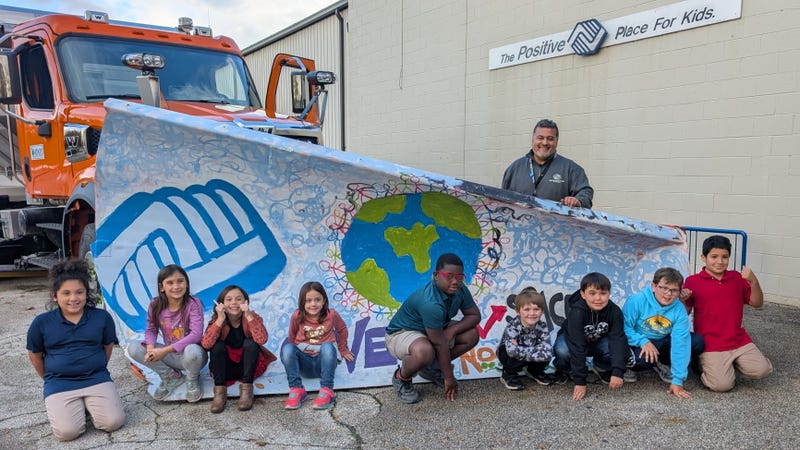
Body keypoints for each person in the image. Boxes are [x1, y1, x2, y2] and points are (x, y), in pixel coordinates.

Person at [26, 260, 125, 441]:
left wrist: (96, 368)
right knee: (67, 433)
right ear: (55, 295)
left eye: (79, 292)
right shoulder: (41, 323)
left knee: (114, 422)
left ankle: (90, 404)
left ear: (87, 293)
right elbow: (35, 356)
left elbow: (107, 347)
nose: (73, 298)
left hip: (96, 377)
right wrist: (50, 378)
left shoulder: (101, 317)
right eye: (66, 293)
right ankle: (75, 406)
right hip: (59, 382)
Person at [385, 253, 481, 404]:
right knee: (424, 351)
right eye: (449, 276)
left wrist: (452, 330)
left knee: (471, 334)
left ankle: (431, 369)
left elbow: (474, 315)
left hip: (434, 331)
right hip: (401, 333)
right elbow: (439, 343)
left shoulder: (460, 290)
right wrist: (448, 377)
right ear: (436, 275)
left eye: (460, 276)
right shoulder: (430, 303)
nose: (455, 281)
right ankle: (401, 378)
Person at [682, 235, 773, 392]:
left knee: (763, 369)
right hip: (711, 343)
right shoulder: (692, 281)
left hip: (738, 339)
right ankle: (701, 363)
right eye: (714, 256)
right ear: (703, 257)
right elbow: (685, 313)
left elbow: (757, 303)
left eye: (725, 257)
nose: (720, 261)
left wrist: (753, 281)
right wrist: (683, 300)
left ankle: (731, 363)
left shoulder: (737, 278)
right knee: (721, 386)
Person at [128, 264, 208, 402]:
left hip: (193, 357)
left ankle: (192, 378)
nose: (176, 286)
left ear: (187, 284)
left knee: (192, 350)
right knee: (134, 348)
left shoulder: (193, 303)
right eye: (170, 283)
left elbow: (196, 335)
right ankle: (171, 377)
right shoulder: (155, 304)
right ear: (161, 287)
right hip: (171, 357)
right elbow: (151, 330)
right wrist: (151, 349)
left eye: (180, 281)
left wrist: (164, 351)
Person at [622, 267, 704, 399]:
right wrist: (642, 341)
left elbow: (680, 342)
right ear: (654, 286)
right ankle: (630, 367)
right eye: (664, 288)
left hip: (662, 340)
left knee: (696, 342)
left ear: (679, 291)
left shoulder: (679, 310)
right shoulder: (636, 301)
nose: (668, 294)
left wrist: (678, 380)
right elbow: (624, 328)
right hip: (638, 342)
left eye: (674, 290)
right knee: (641, 360)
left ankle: (663, 363)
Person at [553, 272, 630, 400]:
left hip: (598, 342)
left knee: (617, 347)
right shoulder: (577, 312)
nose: (598, 298)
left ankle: (601, 366)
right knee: (562, 350)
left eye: (603, 293)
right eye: (592, 293)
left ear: (609, 293)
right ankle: (565, 370)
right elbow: (577, 346)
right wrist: (580, 382)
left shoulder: (615, 311)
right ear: (583, 294)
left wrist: (618, 372)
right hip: (573, 342)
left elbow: (618, 339)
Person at [201, 285, 277, 413]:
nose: (234, 303)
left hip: (247, 368)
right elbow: (206, 344)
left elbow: (262, 340)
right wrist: (220, 320)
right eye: (229, 300)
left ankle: (247, 391)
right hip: (226, 370)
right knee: (217, 345)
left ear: (245, 302)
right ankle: (220, 392)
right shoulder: (216, 319)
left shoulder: (252, 316)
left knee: (251, 343)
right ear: (221, 304)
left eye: (238, 299)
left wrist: (248, 316)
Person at [281, 281, 355, 410]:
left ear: (324, 301)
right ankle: (297, 389)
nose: (313, 304)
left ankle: (327, 390)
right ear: (302, 302)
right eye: (308, 300)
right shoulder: (297, 316)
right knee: (287, 348)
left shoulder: (331, 315)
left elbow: (342, 329)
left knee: (327, 346)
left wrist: (343, 349)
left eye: (317, 300)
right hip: (305, 364)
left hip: (324, 363)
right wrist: (292, 357)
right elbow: (292, 337)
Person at [501, 118, 594, 208]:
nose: (545, 143)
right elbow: (502, 201)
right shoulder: (515, 168)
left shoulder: (571, 169)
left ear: (557, 141)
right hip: (520, 222)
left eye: (550, 139)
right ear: (533, 139)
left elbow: (585, 193)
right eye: (540, 138)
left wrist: (578, 201)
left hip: (557, 223)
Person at [496, 288, 562, 390]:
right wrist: (537, 349)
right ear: (518, 311)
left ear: (542, 311)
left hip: (522, 353)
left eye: (536, 309)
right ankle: (508, 374)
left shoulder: (542, 326)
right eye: (527, 309)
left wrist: (520, 348)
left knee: (545, 353)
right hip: (509, 356)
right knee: (508, 351)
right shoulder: (513, 326)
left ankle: (534, 371)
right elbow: (512, 352)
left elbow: (547, 352)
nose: (532, 313)